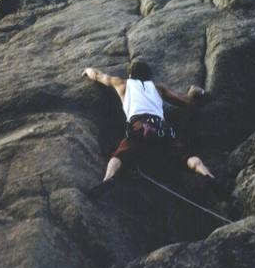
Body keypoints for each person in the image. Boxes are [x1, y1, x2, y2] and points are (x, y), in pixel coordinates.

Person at [82, 59, 214, 183]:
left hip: (138, 125)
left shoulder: (122, 83)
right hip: (160, 126)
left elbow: (99, 75)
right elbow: (185, 101)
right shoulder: (158, 88)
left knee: (120, 154)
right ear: (149, 76)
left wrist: (88, 70)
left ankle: (108, 178)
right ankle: (205, 173)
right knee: (184, 155)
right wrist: (194, 91)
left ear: (130, 75)